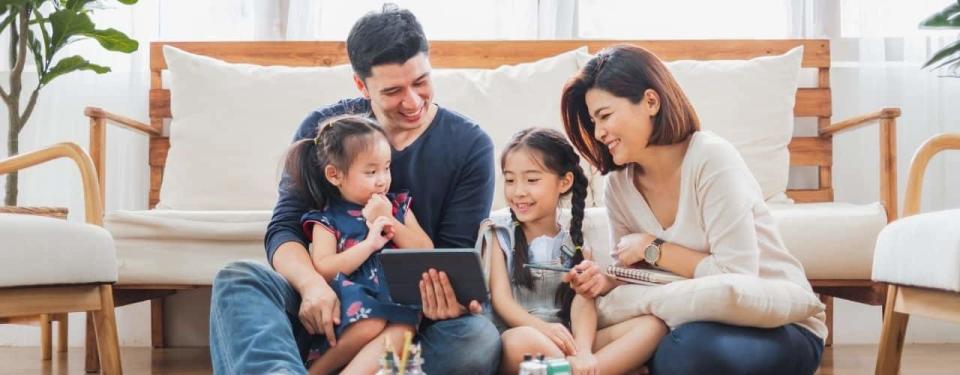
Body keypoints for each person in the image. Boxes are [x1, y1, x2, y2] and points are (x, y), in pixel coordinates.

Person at [209, 5, 500, 374]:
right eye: (393, 91)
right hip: (330, 311)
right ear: (361, 85)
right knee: (238, 280)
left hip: (412, 323)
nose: (412, 101)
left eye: (421, 81)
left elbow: (450, 255)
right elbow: (283, 228)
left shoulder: (470, 144)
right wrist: (313, 286)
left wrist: (446, 299)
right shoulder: (327, 129)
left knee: (476, 341)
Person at [559, 45, 826, 374]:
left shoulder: (711, 158)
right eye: (593, 121)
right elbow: (637, 280)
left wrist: (653, 248)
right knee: (663, 346)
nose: (599, 132)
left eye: (605, 116)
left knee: (684, 353)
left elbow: (736, 278)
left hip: (779, 326)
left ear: (651, 102)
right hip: (686, 323)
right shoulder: (619, 186)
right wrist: (608, 280)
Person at [487, 127, 666, 375]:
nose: (518, 191)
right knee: (519, 341)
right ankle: (600, 369)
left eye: (531, 180)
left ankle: (578, 369)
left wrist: (582, 351)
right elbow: (501, 301)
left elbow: (584, 301)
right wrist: (545, 329)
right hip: (525, 339)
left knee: (652, 325)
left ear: (564, 182)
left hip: (567, 341)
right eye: (509, 180)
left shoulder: (575, 241)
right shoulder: (499, 233)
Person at [282, 115, 431, 373]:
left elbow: (426, 251)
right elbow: (325, 268)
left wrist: (388, 220)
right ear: (334, 175)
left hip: (398, 298)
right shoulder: (327, 218)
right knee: (369, 323)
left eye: (386, 168)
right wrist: (369, 245)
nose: (382, 179)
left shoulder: (397, 206)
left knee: (403, 331)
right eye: (371, 172)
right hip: (353, 300)